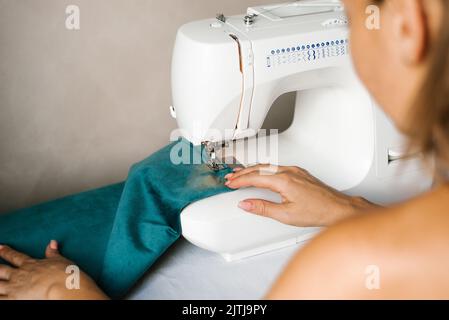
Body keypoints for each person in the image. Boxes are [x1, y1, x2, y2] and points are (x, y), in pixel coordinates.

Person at [0, 0, 448, 299]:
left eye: (353, 17)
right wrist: (347, 209)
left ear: (409, 24)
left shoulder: (343, 270)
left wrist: (68, 292)